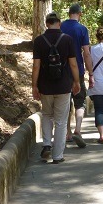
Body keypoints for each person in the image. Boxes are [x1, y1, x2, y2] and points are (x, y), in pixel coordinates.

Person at [32, 12, 80, 164]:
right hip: (64, 85)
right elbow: (73, 63)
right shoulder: (67, 40)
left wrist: (34, 85)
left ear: (47, 24)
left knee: (46, 115)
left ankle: (47, 144)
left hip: (45, 86)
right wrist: (77, 81)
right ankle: (57, 155)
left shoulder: (39, 41)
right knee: (60, 120)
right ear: (59, 23)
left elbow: (36, 66)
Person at [60, 2, 94, 148]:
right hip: (78, 71)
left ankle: (67, 133)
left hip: (61, 71)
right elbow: (86, 53)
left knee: (65, 102)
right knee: (80, 101)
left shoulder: (60, 26)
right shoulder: (82, 29)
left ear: (69, 14)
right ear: (79, 14)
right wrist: (90, 73)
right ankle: (77, 130)